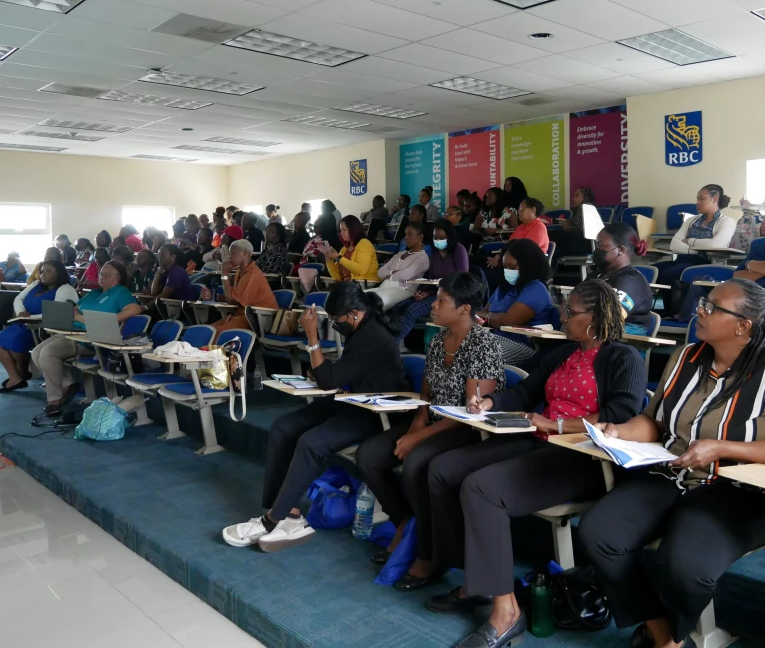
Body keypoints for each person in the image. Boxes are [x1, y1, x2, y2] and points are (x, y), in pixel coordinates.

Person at [579, 279, 765, 648]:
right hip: (668, 472)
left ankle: (670, 631)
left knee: (687, 567)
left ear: (742, 326)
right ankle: (665, 636)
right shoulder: (685, 357)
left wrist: (721, 447)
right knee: (599, 534)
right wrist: (619, 431)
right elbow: (655, 423)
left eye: (712, 307)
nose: (698, 310)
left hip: (735, 488)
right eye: (704, 302)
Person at [423, 280, 645, 646]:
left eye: (571, 312)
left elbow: (621, 414)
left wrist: (556, 424)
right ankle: (476, 581)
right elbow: (526, 392)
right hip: (538, 441)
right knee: (443, 470)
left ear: (595, 318)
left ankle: (506, 612)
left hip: (582, 457)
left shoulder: (624, 358)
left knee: (481, 489)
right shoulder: (564, 353)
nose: (563, 315)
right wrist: (491, 402)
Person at [222, 283, 408, 552]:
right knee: (283, 427)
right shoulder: (361, 328)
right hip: (351, 399)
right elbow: (338, 374)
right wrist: (327, 371)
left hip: (376, 412)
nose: (334, 324)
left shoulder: (374, 337)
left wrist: (312, 336)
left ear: (355, 313)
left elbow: (327, 380)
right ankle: (290, 513)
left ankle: (272, 519)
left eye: (336, 320)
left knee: (312, 442)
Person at [356, 272, 504, 573]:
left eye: (441, 301)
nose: (432, 306)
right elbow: (426, 396)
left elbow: (471, 414)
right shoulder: (438, 341)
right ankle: (404, 524)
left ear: (464, 309)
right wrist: (415, 428)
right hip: (434, 421)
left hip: (467, 430)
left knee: (416, 463)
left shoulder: (483, 345)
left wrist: (418, 440)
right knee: (368, 456)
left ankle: (429, 552)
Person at [31, 261, 141, 416]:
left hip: (93, 339)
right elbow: (75, 308)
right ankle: (67, 385)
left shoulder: (120, 292)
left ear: (118, 278)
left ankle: (55, 399)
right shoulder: (95, 293)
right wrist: (75, 315)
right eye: (101, 273)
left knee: (48, 353)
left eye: (106, 275)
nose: (101, 277)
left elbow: (135, 309)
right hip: (75, 332)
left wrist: (109, 320)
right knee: (36, 353)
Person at [0, 260, 77, 392]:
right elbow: (18, 299)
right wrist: (21, 312)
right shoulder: (35, 284)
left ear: (59, 273)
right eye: (42, 271)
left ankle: (22, 373)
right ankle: (15, 377)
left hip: (41, 328)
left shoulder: (65, 289)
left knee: (15, 344)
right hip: (23, 322)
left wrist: (30, 317)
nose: (43, 274)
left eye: (48, 271)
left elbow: (56, 313)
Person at [655, 185, 735, 315]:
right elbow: (674, 244)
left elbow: (715, 246)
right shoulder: (691, 220)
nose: (697, 202)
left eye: (701, 199)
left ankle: (671, 313)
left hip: (706, 261)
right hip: (683, 259)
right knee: (653, 270)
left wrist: (689, 241)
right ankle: (653, 310)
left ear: (714, 199)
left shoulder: (727, 221)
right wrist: (699, 249)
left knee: (670, 273)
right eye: (697, 199)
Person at [475, 238, 552, 364]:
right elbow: (481, 315)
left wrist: (489, 317)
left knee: (480, 355)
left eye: (512, 266)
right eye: (505, 266)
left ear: (528, 265)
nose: (507, 271)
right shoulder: (503, 287)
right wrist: (493, 318)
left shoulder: (536, 288)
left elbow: (508, 322)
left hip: (521, 345)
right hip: (493, 336)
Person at [388, 219, 469, 338]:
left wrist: (439, 289)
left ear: (449, 236)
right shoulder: (435, 254)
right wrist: (424, 292)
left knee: (412, 310)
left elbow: (462, 278)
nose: (438, 240)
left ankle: (393, 344)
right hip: (434, 292)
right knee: (398, 306)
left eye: (442, 237)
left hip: (451, 295)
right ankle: (395, 342)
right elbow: (431, 278)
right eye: (435, 237)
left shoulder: (459, 250)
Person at [587, 222, 654, 334]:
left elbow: (609, 318)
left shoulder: (632, 281)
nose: (597, 251)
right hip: (588, 338)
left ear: (621, 250)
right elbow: (570, 305)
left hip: (619, 346)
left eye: (601, 245)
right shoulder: (597, 275)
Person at [200, 240, 277, 336]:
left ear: (245, 254)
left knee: (216, 334)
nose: (229, 256)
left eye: (232, 253)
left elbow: (231, 300)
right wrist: (215, 296)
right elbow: (236, 298)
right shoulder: (240, 271)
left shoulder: (252, 273)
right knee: (206, 330)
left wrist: (224, 274)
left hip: (256, 319)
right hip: (241, 315)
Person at [375, 222, 430, 308]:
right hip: (384, 286)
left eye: (410, 235)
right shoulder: (399, 254)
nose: (406, 238)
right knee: (362, 296)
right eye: (405, 234)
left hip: (403, 290)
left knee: (376, 301)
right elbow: (380, 272)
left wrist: (388, 275)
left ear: (420, 237)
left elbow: (405, 275)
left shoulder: (422, 257)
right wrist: (394, 272)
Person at [322, 215, 378, 283]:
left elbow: (360, 270)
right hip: (347, 286)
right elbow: (337, 276)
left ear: (353, 230)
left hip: (364, 286)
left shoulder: (364, 244)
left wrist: (339, 258)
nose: (341, 233)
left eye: (344, 230)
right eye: (340, 230)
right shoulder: (344, 249)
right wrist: (328, 258)